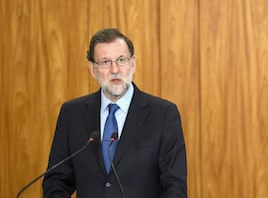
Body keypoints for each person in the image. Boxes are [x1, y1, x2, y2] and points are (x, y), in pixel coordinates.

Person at [42, 28, 187, 198]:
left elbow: (174, 187)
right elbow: (56, 181)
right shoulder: (72, 114)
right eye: (105, 62)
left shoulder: (164, 115)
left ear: (133, 64)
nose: (115, 69)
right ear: (92, 69)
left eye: (121, 60)